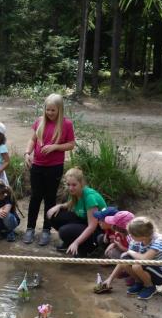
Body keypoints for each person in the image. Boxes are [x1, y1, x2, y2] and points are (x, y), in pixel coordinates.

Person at [22, 93, 76, 246]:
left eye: (53, 110)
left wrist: (55, 147)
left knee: (50, 198)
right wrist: (27, 153)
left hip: (54, 167)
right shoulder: (39, 121)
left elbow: (71, 144)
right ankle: (30, 228)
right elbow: (32, 140)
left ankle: (46, 230)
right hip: (37, 165)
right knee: (35, 197)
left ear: (60, 110)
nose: (50, 113)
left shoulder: (66, 124)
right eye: (47, 110)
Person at [98, 217, 162, 300]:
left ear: (143, 236)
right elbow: (122, 261)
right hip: (148, 266)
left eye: (132, 235)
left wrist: (130, 251)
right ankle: (139, 282)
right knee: (124, 258)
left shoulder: (159, 240)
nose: (130, 236)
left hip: (161, 274)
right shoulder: (136, 240)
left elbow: (144, 259)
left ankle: (150, 286)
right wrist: (110, 279)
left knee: (136, 265)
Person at [46, 168, 106, 257]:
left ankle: (84, 248)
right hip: (85, 222)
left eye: (74, 185)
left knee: (64, 231)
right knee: (53, 215)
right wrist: (59, 206)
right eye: (68, 184)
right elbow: (71, 203)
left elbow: (92, 226)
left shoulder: (90, 198)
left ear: (81, 183)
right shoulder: (76, 192)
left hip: (99, 231)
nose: (71, 188)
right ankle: (69, 242)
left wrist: (76, 242)